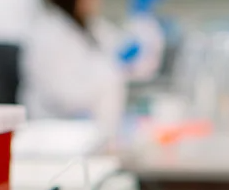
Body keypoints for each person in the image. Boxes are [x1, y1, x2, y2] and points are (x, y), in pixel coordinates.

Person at [20, 0, 164, 129]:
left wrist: (142, 22)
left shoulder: (93, 27)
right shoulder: (48, 33)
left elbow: (138, 64)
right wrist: (111, 68)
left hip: (94, 131)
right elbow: (65, 96)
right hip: (55, 132)